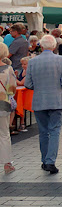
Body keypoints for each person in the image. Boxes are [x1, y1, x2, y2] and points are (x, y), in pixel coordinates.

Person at [25, 34, 62, 174]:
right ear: (54, 46)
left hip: (39, 100)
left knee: (43, 132)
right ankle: (51, 161)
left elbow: (28, 83)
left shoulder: (32, 62)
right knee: (55, 130)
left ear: (41, 46)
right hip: (56, 100)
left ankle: (45, 160)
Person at [0, 43, 17, 174]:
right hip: (3, 105)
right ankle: (7, 163)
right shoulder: (8, 69)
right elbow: (12, 89)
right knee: (4, 134)